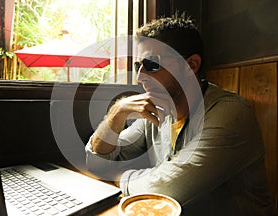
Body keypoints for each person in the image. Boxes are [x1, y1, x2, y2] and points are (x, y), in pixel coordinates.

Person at [85, 11, 274, 215]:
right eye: (138, 65)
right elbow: (96, 161)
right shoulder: (156, 109)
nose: (140, 76)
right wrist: (117, 113)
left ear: (191, 65)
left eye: (151, 64)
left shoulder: (231, 113)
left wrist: (118, 176)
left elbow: (164, 190)